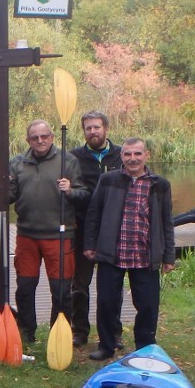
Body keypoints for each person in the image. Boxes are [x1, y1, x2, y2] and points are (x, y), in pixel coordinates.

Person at [84, 138, 176, 361]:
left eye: (137, 154)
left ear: (147, 155)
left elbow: (166, 222)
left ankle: (145, 347)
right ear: (121, 157)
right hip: (111, 252)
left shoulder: (159, 184)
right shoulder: (108, 180)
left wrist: (168, 255)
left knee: (147, 305)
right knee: (106, 302)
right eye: (127, 154)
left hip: (145, 255)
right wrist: (89, 244)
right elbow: (93, 214)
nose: (132, 159)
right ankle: (107, 345)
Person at [8, 120, 88, 343]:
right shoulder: (17, 163)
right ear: (28, 140)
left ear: (52, 137)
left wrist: (70, 190)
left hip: (60, 236)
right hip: (27, 236)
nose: (40, 141)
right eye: (35, 138)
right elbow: (8, 197)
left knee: (61, 291)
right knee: (24, 288)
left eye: (44, 136)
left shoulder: (68, 161)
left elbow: (84, 194)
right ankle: (26, 334)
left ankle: (58, 336)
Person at [69, 111, 124, 347]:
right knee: (79, 284)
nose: (93, 132)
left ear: (106, 128)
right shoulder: (74, 157)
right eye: (88, 128)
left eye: (97, 127)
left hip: (114, 228)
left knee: (112, 284)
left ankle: (113, 332)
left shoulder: (121, 155)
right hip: (83, 229)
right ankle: (80, 330)